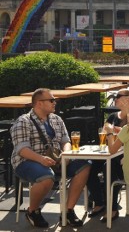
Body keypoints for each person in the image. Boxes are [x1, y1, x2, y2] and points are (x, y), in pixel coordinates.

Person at [10, 88, 90, 228]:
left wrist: (66, 154)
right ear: (39, 103)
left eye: (55, 100)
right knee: (47, 177)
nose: (55, 103)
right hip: (26, 161)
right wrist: (41, 159)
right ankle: (32, 211)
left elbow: (66, 141)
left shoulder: (56, 119)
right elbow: (22, 150)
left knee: (84, 165)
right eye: (52, 100)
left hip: (55, 160)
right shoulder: (23, 121)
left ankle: (68, 211)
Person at [87, 89, 129, 223]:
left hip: (125, 157)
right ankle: (99, 200)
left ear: (128, 99)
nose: (116, 98)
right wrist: (110, 132)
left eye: (119, 96)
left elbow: (128, 139)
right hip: (109, 152)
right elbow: (104, 133)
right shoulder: (113, 116)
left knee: (110, 167)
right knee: (88, 166)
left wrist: (112, 132)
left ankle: (112, 208)